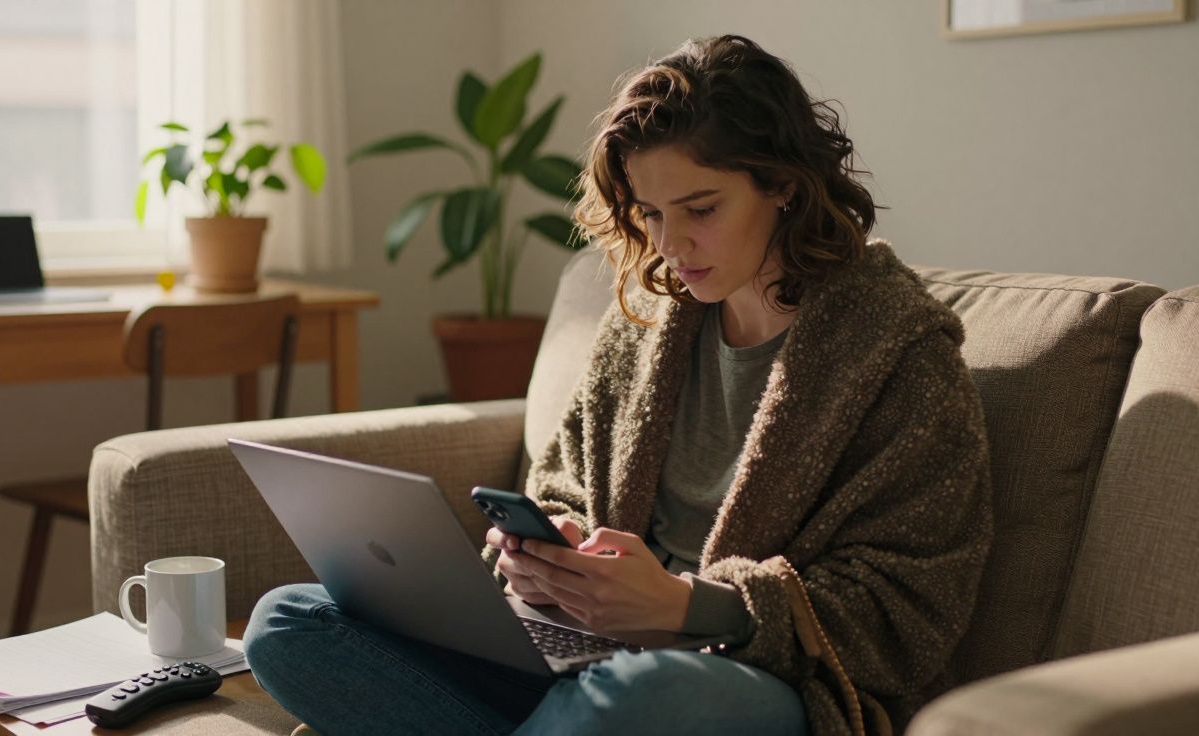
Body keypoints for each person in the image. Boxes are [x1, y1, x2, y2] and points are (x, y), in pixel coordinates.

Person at [244, 34, 992, 736]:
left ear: (785, 187)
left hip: (738, 672)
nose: (670, 245)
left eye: (700, 209)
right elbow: (564, 484)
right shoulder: (648, 325)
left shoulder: (899, 353)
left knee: (638, 697)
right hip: (589, 648)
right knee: (287, 623)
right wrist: (548, 556)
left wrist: (689, 606)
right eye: (651, 215)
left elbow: (904, 609)